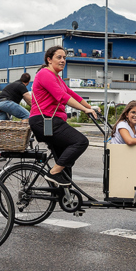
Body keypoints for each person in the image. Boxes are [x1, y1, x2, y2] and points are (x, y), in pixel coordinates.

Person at [29, 46, 99, 187]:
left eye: (64, 58)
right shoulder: (45, 74)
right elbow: (62, 97)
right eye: (59, 57)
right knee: (80, 141)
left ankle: (67, 200)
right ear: (49, 60)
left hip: (51, 121)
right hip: (44, 121)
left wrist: (90, 107)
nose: (63, 60)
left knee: (65, 163)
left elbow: (72, 95)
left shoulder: (57, 78)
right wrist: (85, 110)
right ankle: (53, 173)